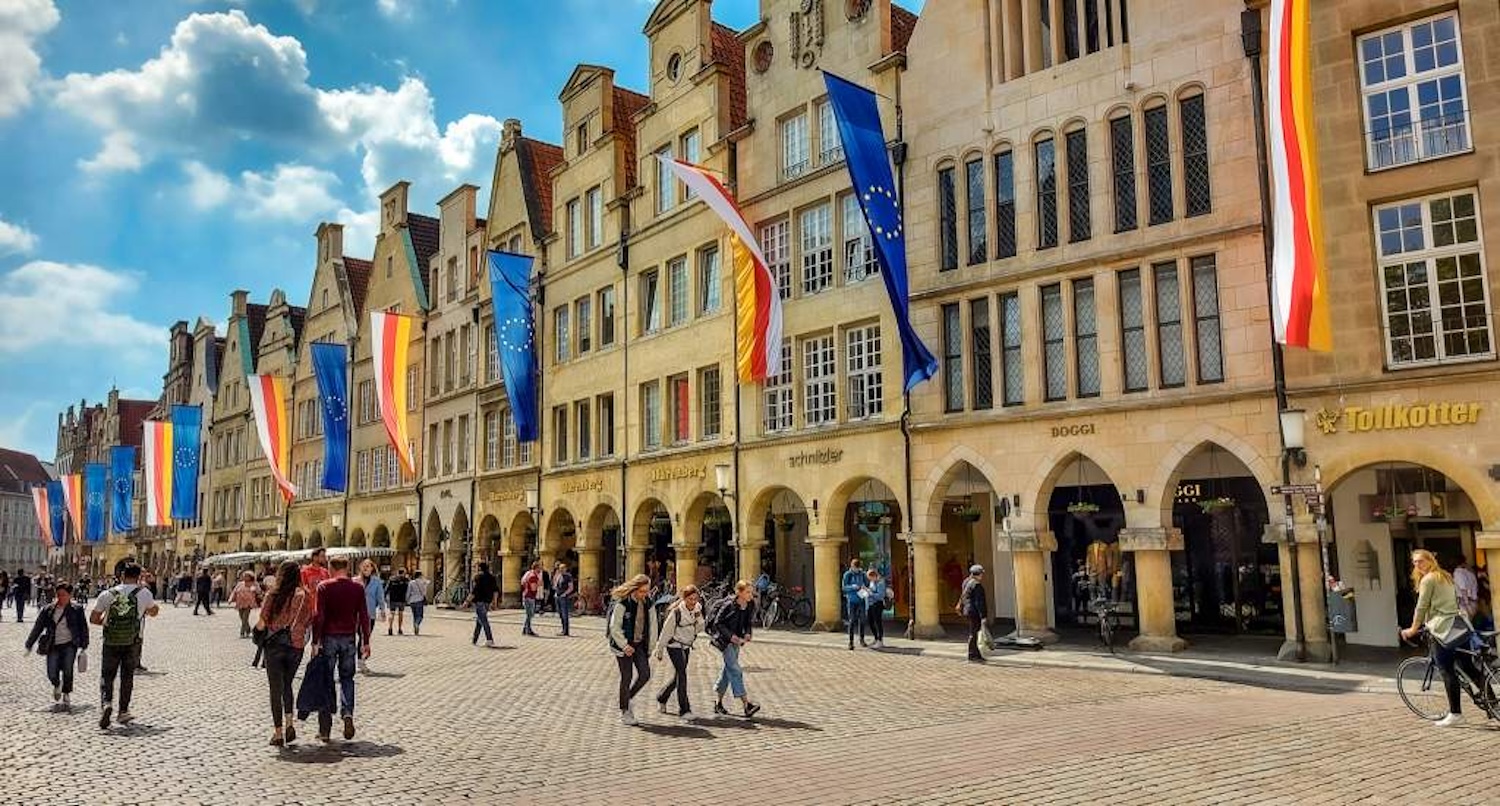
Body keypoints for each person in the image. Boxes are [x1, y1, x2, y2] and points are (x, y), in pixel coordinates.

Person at [1401, 549, 1469, 727]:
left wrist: (1413, 629)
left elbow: (1421, 606)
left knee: (1447, 671)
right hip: (1458, 625)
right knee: (1470, 668)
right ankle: (1492, 703)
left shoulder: (1428, 579)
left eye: (1421, 561)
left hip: (1442, 629)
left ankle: (1455, 714)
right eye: (1415, 562)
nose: (1418, 564)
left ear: (1430, 560)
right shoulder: (1445, 576)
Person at [91, 563, 159, 729]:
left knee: (107, 675)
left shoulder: (108, 594)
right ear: (138, 577)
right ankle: (123, 711)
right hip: (132, 641)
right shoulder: (144, 593)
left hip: (111, 641)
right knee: (127, 676)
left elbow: (93, 618)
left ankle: (107, 703)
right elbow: (154, 612)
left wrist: (107, 623)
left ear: (122, 576)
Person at [310, 556, 371, 741]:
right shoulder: (357, 588)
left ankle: (325, 729)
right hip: (349, 638)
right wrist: (366, 641)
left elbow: (319, 616)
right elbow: (364, 616)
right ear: (346, 568)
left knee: (326, 680)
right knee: (347, 678)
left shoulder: (324, 587)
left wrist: (315, 641)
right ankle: (347, 713)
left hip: (329, 637)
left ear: (331, 568)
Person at [256, 560, 314, 746]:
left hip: (274, 646)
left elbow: (262, 622)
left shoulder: (273, 594)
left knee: (276, 688)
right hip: (296, 646)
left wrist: (257, 634)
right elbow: (309, 620)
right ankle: (290, 723)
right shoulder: (305, 595)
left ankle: (278, 732)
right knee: (287, 684)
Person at [24, 581, 89, 711]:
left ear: (70, 595)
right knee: (51, 671)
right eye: (58, 594)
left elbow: (83, 627)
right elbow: (38, 627)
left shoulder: (77, 609)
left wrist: (84, 644)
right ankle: (56, 684)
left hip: (70, 644)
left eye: (63, 595)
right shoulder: (48, 609)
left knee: (68, 670)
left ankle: (66, 693)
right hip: (53, 644)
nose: (60, 597)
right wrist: (29, 644)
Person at [606, 574, 656, 725]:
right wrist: (624, 645)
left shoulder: (648, 603)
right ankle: (625, 710)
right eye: (642, 591)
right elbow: (614, 627)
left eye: (647, 591)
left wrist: (651, 647)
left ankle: (628, 698)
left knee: (645, 674)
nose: (644, 594)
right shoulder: (623, 603)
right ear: (634, 589)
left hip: (639, 644)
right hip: (623, 644)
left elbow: (653, 626)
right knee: (626, 677)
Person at [707, 580, 760, 719]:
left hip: (737, 640)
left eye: (751, 592)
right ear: (739, 592)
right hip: (725, 641)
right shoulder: (728, 605)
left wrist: (747, 633)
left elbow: (748, 622)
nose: (751, 595)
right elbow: (718, 623)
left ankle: (718, 703)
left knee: (728, 670)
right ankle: (746, 705)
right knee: (735, 670)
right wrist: (731, 637)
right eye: (748, 592)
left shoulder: (750, 604)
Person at [653, 584, 704, 723]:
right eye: (690, 599)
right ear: (684, 598)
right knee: (682, 674)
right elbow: (666, 632)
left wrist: (698, 618)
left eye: (695, 599)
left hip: (686, 645)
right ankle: (684, 710)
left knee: (678, 676)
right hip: (674, 645)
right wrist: (659, 649)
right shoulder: (676, 612)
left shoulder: (697, 609)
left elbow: (700, 628)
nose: (693, 602)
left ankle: (662, 697)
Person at [355, 560, 385, 673]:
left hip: (369, 614)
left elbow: (380, 596)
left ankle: (361, 661)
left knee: (364, 637)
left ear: (372, 568)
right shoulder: (355, 580)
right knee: (357, 637)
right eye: (364, 566)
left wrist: (382, 610)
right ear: (360, 568)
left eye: (368, 566)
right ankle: (356, 660)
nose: (366, 568)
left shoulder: (376, 582)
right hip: (355, 614)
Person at [956, 565, 988, 663]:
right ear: (978, 574)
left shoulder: (966, 582)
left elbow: (963, 595)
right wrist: (983, 616)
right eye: (981, 574)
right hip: (974, 612)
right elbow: (979, 602)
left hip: (968, 610)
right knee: (974, 633)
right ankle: (972, 655)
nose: (982, 576)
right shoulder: (976, 585)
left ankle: (976, 654)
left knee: (974, 633)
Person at [465, 562, 500, 647]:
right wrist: (495, 602)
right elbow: (495, 591)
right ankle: (474, 639)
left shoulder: (478, 577)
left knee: (484, 621)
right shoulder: (492, 577)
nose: (475, 569)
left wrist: (467, 601)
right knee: (479, 620)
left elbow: (474, 591)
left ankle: (489, 639)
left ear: (480, 568)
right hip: (487, 601)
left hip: (479, 602)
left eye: (476, 567)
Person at [841, 557, 868, 650]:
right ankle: (851, 642)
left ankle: (862, 639)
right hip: (851, 601)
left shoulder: (862, 574)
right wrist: (852, 587)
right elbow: (844, 587)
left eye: (858, 568)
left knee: (862, 620)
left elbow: (867, 584)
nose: (856, 570)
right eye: (855, 568)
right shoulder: (847, 574)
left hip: (861, 599)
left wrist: (864, 586)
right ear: (851, 566)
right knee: (852, 621)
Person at [231, 571, 261, 638]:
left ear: (250, 577)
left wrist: (255, 589)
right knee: (242, 618)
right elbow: (234, 591)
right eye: (244, 576)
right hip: (240, 603)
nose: (245, 577)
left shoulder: (254, 583)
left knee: (245, 618)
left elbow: (259, 591)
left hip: (248, 603)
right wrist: (230, 599)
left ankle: (242, 633)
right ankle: (248, 629)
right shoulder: (240, 584)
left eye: (246, 576)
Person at [300, 548, 332, 612]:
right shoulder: (304, 572)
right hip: (310, 608)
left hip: (324, 607)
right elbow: (302, 588)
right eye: (322, 556)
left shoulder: (325, 572)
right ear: (315, 557)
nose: (325, 558)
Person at [865, 568, 888, 650]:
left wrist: (871, 593)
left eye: (870, 578)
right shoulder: (872, 582)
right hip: (870, 604)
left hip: (877, 604)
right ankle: (876, 638)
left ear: (874, 576)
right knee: (870, 622)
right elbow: (871, 590)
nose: (870, 580)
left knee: (878, 622)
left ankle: (880, 640)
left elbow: (880, 596)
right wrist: (866, 591)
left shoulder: (880, 583)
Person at [520, 561, 543, 637]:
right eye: (540, 567)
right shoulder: (533, 576)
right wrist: (539, 584)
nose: (541, 569)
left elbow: (522, 582)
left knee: (529, 614)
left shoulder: (528, 573)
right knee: (530, 614)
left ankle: (525, 629)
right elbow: (533, 588)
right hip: (530, 596)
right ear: (537, 568)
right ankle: (528, 630)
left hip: (526, 595)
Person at [553, 561, 576, 637]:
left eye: (563, 568)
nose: (561, 569)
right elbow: (555, 585)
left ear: (566, 569)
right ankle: (563, 629)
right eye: (560, 568)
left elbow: (571, 587)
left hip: (564, 597)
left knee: (564, 614)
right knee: (560, 613)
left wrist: (565, 594)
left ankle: (566, 631)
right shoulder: (558, 575)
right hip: (557, 596)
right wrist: (556, 593)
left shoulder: (568, 576)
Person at [385, 567, 409, 636]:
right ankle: (399, 629)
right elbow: (408, 589)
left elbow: (387, 589)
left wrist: (385, 596)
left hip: (393, 599)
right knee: (400, 614)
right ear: (403, 573)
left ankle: (390, 628)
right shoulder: (406, 580)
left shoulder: (392, 579)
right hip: (402, 599)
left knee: (392, 613)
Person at [406, 570, 429, 635]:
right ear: (420, 575)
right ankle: (417, 624)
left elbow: (408, 592)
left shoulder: (411, 582)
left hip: (412, 601)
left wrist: (407, 599)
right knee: (420, 616)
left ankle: (415, 629)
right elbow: (424, 592)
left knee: (415, 615)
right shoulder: (423, 582)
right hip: (419, 600)